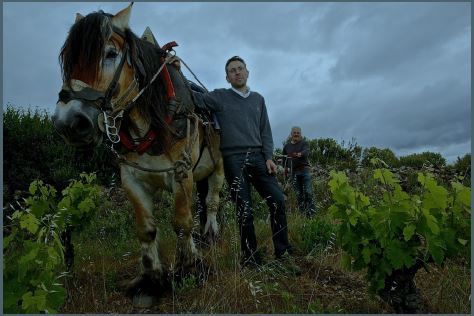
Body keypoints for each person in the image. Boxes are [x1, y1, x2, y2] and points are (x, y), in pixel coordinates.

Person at [193, 56, 299, 273]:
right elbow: (194, 99)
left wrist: (269, 157)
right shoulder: (219, 97)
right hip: (233, 159)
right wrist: (172, 70)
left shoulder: (258, 99)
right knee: (245, 210)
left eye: (240, 69)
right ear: (227, 77)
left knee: (278, 200)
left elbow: (265, 131)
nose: (237, 73)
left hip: (259, 157)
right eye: (232, 70)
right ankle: (250, 258)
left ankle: (283, 252)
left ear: (247, 72)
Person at [282, 127, 316, 217]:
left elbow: (306, 152)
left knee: (308, 192)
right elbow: (284, 158)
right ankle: (303, 214)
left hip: (304, 170)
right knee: (299, 194)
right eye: (294, 133)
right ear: (291, 134)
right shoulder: (287, 146)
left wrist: (298, 154)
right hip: (294, 172)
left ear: (300, 134)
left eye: (298, 133)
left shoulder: (304, 143)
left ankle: (312, 214)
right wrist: (285, 168)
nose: (296, 134)